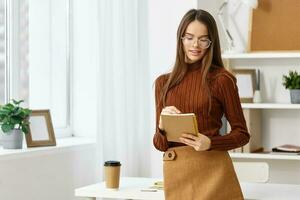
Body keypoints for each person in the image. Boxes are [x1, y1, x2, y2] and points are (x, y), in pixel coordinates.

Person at [153, 9, 250, 200]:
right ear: (180, 39)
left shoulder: (221, 80)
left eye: (203, 39)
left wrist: (211, 143)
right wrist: (162, 127)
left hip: (213, 170)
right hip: (177, 172)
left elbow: (242, 134)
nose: (195, 45)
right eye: (189, 37)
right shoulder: (163, 83)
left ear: (211, 42)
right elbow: (160, 144)